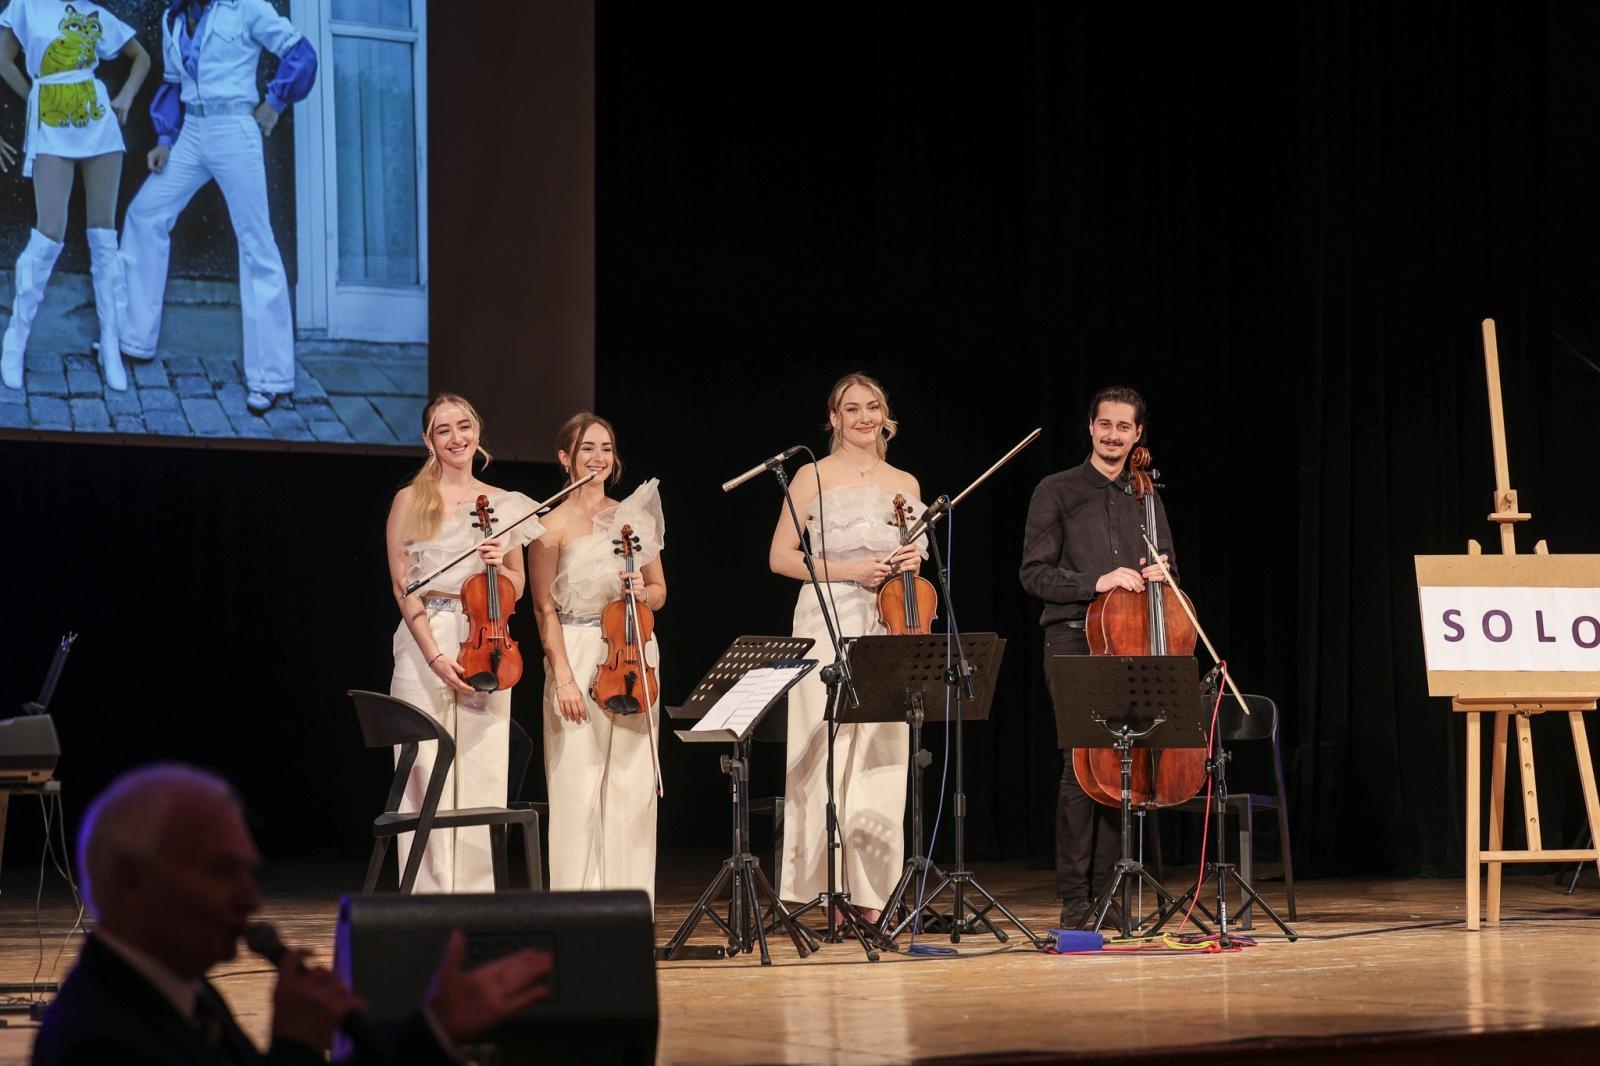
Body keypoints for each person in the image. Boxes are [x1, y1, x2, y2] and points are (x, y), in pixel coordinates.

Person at [30, 763, 553, 1066]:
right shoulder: (97, 1045)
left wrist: (434, 1029)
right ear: (131, 879)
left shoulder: (184, 992)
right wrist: (297, 1048)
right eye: (221, 871)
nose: (249, 901)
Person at [769, 372, 924, 924]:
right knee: (824, 751)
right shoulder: (811, 476)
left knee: (882, 751)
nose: (863, 416)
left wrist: (909, 561)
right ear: (833, 418)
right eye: (851, 408)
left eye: (873, 406)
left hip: (888, 619)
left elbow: (915, 550)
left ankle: (874, 894)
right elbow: (782, 557)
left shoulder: (903, 479)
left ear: (886, 415)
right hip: (826, 614)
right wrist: (851, 571)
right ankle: (826, 891)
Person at [1018, 386, 1174, 929]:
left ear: (1138, 435)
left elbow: (1167, 564)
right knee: (1081, 767)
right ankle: (1075, 899)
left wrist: (1161, 574)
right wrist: (1097, 581)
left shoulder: (1145, 495)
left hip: (1133, 641)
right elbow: (1033, 574)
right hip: (1073, 639)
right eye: (1105, 425)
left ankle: (1113, 892)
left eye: (1124, 428)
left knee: (1121, 765)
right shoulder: (1056, 490)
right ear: (1090, 427)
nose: (1113, 435)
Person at [118, 0, 318, 415]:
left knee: (256, 243)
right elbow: (173, 85)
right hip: (191, 131)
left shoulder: (247, 8)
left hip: (234, 128)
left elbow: (302, 54)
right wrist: (165, 139)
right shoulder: (174, 18)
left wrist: (275, 102)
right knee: (145, 212)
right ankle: (133, 337)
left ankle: (271, 377)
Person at [386, 393, 541, 893]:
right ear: (428, 441)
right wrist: (432, 653)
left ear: (477, 431)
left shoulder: (505, 504)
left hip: (487, 636)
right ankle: (427, 896)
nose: (456, 437)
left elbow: (517, 584)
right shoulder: (411, 500)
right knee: (424, 766)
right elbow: (401, 585)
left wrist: (500, 565)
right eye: (443, 429)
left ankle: (475, 895)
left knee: (483, 764)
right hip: (425, 636)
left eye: (464, 425)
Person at [530, 412, 665, 905]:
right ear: (565, 457)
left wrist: (641, 592)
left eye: (605, 448)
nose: (598, 458)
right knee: (576, 786)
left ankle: (629, 906)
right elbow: (544, 608)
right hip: (578, 647)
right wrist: (563, 678)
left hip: (631, 649)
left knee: (632, 788)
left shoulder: (635, 516)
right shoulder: (549, 525)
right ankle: (576, 909)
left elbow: (660, 591)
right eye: (587, 448)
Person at [0, 0, 149, 393]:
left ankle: (111, 345)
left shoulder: (90, 10)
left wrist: (127, 95)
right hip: (51, 118)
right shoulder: (25, 7)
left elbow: (142, 58)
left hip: (98, 119)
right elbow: (3, 60)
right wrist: (33, 95)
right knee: (49, 232)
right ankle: (15, 339)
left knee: (104, 236)